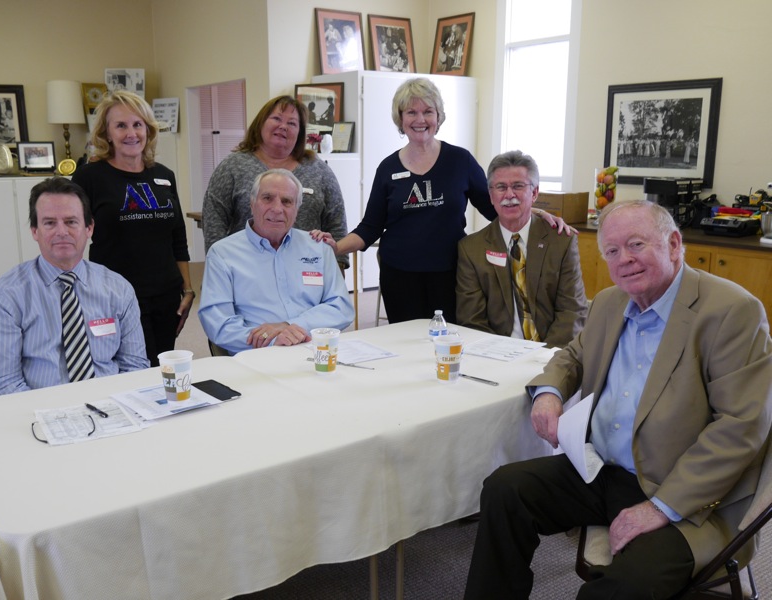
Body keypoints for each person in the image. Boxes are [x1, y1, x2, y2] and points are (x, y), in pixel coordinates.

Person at [464, 199, 772, 599]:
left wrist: (661, 507)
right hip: (602, 469)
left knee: (616, 591)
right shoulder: (611, 301)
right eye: (612, 251)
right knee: (505, 489)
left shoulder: (732, 312)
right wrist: (549, 392)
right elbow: (573, 355)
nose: (624, 259)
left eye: (637, 244)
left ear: (674, 245)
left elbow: (740, 427)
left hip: (685, 494)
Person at [311, 77, 570, 324]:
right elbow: (370, 227)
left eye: (428, 111)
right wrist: (336, 247)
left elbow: (495, 208)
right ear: (400, 119)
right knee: (407, 345)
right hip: (400, 275)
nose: (420, 119)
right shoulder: (388, 168)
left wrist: (535, 216)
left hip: (452, 272)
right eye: (411, 112)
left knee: (449, 342)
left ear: (439, 117)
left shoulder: (460, 161)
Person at [0, 177, 148, 397]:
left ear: (89, 228)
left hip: (112, 406)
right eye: (49, 223)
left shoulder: (119, 289)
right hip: (38, 413)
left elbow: (135, 367)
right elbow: (1, 386)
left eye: (71, 221)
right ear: (35, 231)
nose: (61, 232)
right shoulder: (3, 298)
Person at [72, 90, 193, 367]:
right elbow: (74, 236)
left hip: (165, 294)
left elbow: (178, 236)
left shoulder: (164, 175)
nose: (131, 133)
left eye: (138, 124)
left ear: (148, 130)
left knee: (160, 365)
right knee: (130, 368)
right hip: (115, 295)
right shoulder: (89, 177)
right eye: (121, 125)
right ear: (106, 132)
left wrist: (187, 289)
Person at [199, 169, 354, 355]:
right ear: (252, 203)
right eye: (267, 198)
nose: (277, 209)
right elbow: (219, 323)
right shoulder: (223, 254)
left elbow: (341, 307)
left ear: (297, 209)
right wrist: (272, 339)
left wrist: (290, 327)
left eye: (287, 201)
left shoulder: (318, 247)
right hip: (258, 356)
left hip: (316, 350)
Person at [456, 151, 588, 347]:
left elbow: (572, 311)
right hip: (496, 355)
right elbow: (471, 320)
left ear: (534, 193)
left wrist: (544, 357)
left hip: (551, 354)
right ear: (491, 196)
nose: (509, 195)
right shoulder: (471, 249)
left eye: (518, 186)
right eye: (501, 187)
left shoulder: (561, 242)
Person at [202, 95, 349, 269]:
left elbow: (336, 222)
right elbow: (214, 221)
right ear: (261, 123)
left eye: (292, 123)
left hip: (306, 270)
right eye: (277, 118)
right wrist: (219, 265)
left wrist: (338, 265)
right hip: (246, 270)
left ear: (300, 132)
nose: (283, 126)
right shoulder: (232, 167)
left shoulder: (319, 170)